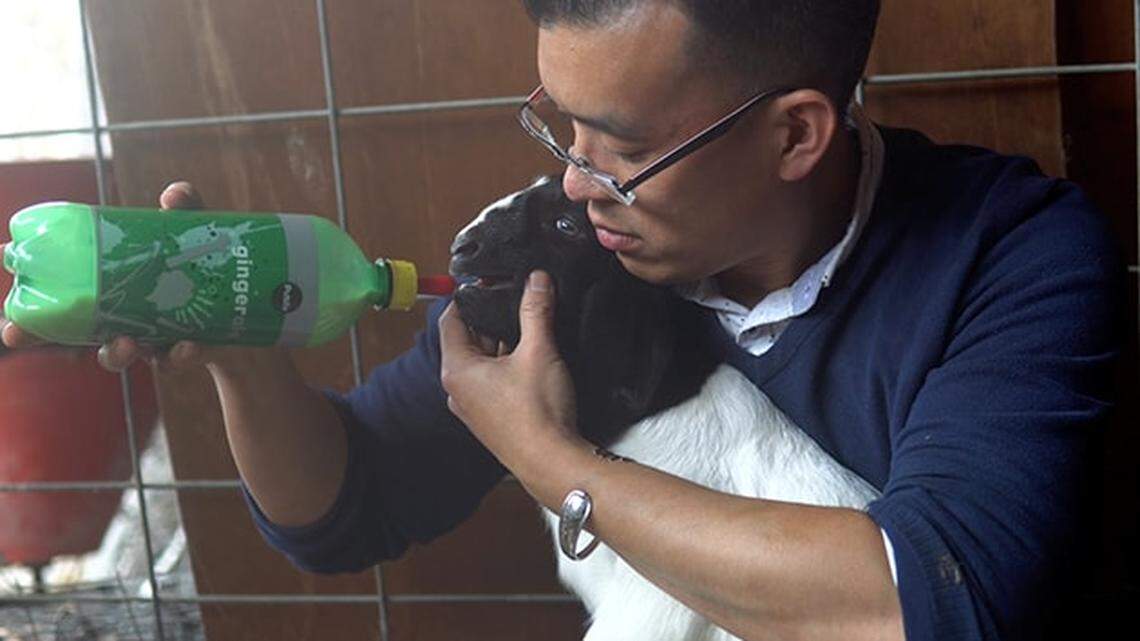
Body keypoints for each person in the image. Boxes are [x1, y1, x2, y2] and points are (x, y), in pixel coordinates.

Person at [2, 1, 1124, 639]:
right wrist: (240, 360)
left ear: (795, 134)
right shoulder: (583, 246)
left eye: (624, 148)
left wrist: (552, 461)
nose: (580, 182)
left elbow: (932, 598)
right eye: (561, 128)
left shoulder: (1012, 255)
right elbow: (343, 505)